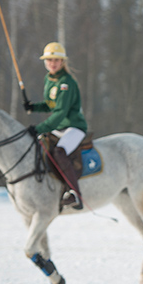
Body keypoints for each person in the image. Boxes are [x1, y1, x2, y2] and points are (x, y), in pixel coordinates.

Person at [25, 42, 88, 210]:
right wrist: (34, 107)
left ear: (62, 62)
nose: (52, 63)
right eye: (49, 60)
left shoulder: (66, 82)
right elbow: (50, 104)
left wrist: (39, 128)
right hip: (59, 127)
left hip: (74, 126)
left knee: (59, 152)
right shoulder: (50, 79)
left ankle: (75, 194)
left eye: (56, 60)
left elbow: (60, 112)